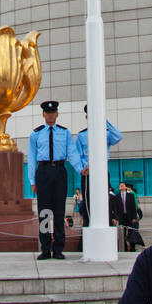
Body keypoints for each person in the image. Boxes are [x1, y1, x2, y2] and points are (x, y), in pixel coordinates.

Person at [28, 100, 83, 260]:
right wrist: (32, 181)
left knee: (59, 212)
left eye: (53, 113)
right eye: (48, 113)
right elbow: (31, 158)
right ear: (43, 114)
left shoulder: (64, 133)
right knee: (44, 212)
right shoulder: (36, 134)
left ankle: (58, 248)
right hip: (43, 172)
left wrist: (80, 168)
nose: (50, 116)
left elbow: (72, 153)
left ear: (57, 114)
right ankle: (45, 248)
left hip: (60, 171)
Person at [76, 105, 123, 228]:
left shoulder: (106, 134)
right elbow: (78, 155)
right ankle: (87, 228)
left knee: (103, 201)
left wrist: (104, 121)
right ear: (86, 117)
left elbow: (118, 137)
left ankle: (105, 225)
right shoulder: (82, 135)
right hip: (88, 173)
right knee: (88, 202)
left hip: (102, 171)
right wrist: (83, 168)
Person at [117, 181, 144, 251]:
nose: (121, 187)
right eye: (120, 186)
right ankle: (124, 247)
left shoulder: (130, 196)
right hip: (122, 217)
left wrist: (134, 217)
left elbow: (133, 207)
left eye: (122, 185)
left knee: (131, 232)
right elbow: (116, 208)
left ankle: (132, 246)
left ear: (125, 187)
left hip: (130, 217)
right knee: (122, 233)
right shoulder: (117, 196)